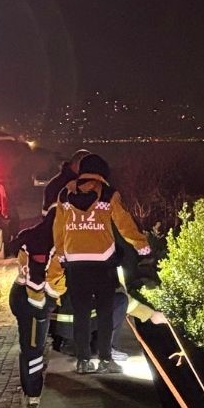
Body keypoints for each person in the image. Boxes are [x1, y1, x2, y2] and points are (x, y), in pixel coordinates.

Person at [51, 154, 149, 372]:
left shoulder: (65, 194)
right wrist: (141, 244)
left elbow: (59, 227)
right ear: (102, 173)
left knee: (81, 314)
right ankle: (105, 360)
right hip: (103, 262)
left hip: (75, 262)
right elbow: (124, 223)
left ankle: (83, 361)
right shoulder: (108, 194)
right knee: (105, 313)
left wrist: (61, 253)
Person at [10, 213, 63, 407]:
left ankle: (30, 390)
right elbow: (36, 284)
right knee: (33, 348)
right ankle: (33, 395)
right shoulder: (44, 242)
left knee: (29, 347)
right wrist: (44, 305)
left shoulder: (36, 236)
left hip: (26, 297)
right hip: (32, 301)